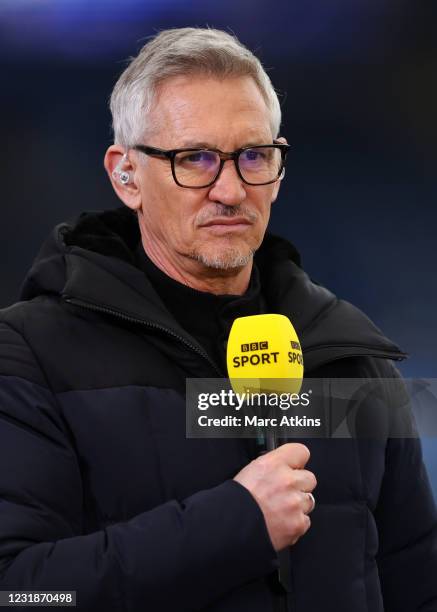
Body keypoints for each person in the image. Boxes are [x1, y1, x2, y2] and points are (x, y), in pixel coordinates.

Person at [0, 27, 436, 612]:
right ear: (125, 174)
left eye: (253, 156)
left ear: (278, 171)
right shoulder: (30, 353)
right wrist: (234, 523)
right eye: (195, 159)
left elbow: (418, 587)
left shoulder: (350, 355)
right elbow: (23, 592)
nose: (230, 189)